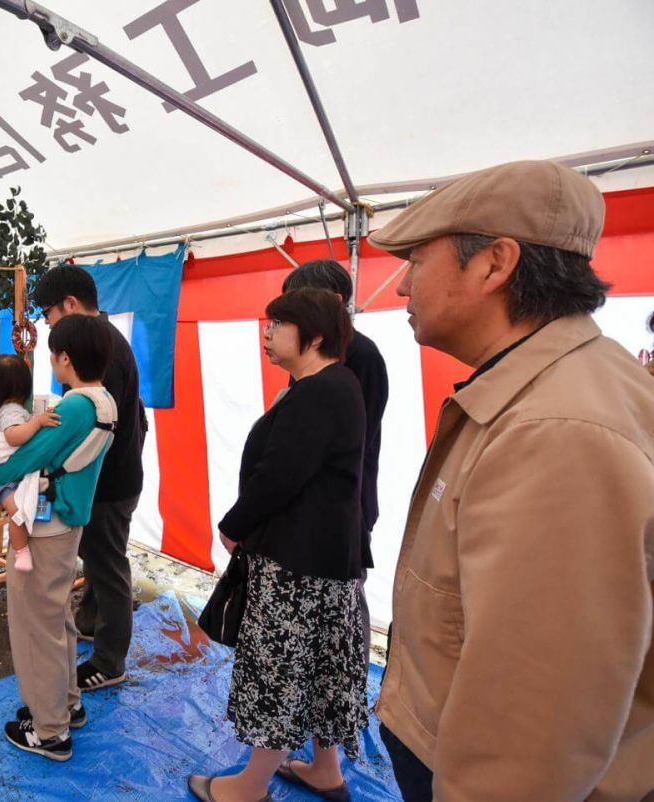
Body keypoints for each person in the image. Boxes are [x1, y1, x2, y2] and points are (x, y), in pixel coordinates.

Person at [368, 160, 654, 800]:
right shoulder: (557, 390)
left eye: (416, 261)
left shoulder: (557, 430)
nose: (401, 288)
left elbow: (533, 730)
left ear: (495, 264)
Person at [190, 288, 367, 802]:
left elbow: (279, 476)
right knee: (318, 669)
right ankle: (326, 771)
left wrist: (234, 523)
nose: (266, 333)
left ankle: (248, 787)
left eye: (277, 324)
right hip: (323, 562)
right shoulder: (335, 384)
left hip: (298, 564)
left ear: (311, 335)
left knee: (279, 672)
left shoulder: (318, 391)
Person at [0, 314, 117, 762]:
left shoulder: (75, 405)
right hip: (67, 522)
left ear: (65, 358)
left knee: (36, 626)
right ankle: (66, 702)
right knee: (57, 618)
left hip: (45, 525)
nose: (51, 364)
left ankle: (50, 730)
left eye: (53, 355)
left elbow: (31, 456)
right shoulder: (105, 399)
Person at [32, 265, 145, 692]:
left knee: (109, 564)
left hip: (108, 481)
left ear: (71, 305)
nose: (49, 327)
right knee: (98, 558)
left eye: (50, 316)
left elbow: (93, 426)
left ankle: (110, 659)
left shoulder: (101, 348)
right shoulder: (105, 339)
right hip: (115, 473)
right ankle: (91, 622)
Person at [283, 260, 388, 663]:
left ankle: (347, 685)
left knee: (343, 603)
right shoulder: (317, 351)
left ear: (335, 301)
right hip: (314, 501)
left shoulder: (359, 355)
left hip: (345, 501)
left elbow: (343, 439)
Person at [0, 353, 61, 572]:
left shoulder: (2, 410)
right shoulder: (11, 411)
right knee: (17, 513)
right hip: (6, 479)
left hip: (8, 475)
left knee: (23, 507)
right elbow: (13, 437)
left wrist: (38, 419)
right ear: (24, 385)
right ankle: (22, 550)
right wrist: (37, 422)